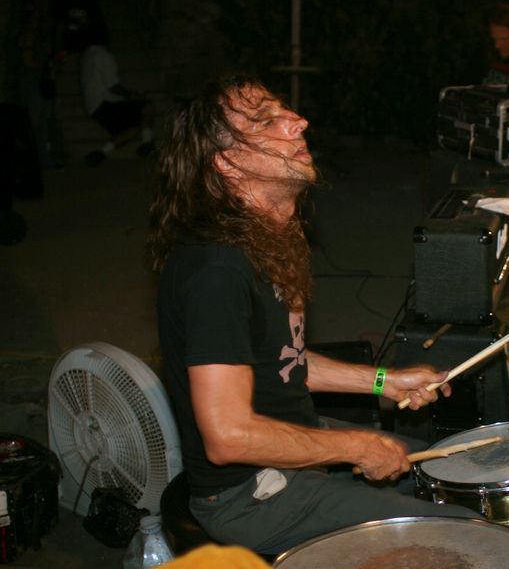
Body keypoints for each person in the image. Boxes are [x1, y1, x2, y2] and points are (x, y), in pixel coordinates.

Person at [147, 74, 478, 556]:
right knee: (468, 536)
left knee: (456, 476)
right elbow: (228, 437)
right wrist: (357, 446)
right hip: (250, 497)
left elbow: (284, 359)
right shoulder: (216, 270)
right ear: (228, 162)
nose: (299, 122)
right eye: (266, 121)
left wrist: (385, 382)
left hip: (295, 450)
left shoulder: (268, 237)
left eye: (287, 111)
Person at [79, 24, 155, 166]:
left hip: (93, 106)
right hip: (105, 102)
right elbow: (113, 86)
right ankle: (147, 143)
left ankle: (101, 153)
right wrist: (132, 95)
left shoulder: (87, 54)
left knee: (132, 128)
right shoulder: (102, 55)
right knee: (146, 106)